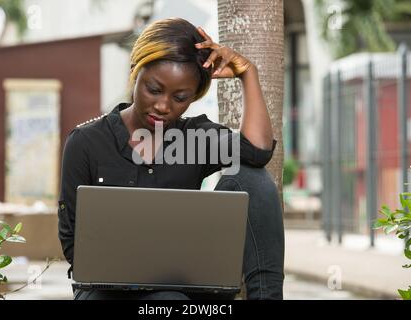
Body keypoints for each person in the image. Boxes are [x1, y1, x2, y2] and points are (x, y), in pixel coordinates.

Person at [58, 17, 284, 300]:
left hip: (183, 285)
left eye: (180, 97)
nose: (163, 106)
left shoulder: (195, 137)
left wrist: (247, 74)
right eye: (153, 90)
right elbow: (72, 244)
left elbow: (258, 151)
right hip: (108, 291)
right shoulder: (86, 141)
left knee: (254, 179)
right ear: (134, 72)